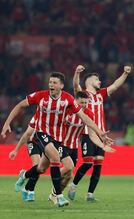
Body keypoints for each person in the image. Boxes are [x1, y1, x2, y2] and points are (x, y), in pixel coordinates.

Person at [1, 72, 109, 207]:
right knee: (55, 158)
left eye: (54, 83)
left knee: (42, 168)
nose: (51, 84)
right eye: (50, 82)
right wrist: (7, 123)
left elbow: (84, 118)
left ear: (61, 86)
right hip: (41, 133)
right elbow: (20, 105)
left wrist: (100, 132)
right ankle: (57, 196)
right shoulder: (40, 96)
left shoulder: (67, 99)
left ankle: (24, 175)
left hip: (57, 139)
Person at [69, 64, 131, 201]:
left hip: (101, 134)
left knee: (98, 165)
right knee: (88, 163)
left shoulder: (100, 94)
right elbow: (75, 86)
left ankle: (90, 194)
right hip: (86, 133)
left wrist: (125, 74)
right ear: (90, 81)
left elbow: (115, 85)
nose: (100, 82)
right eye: (97, 80)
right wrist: (77, 73)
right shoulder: (83, 94)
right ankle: (73, 185)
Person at [8, 115, 41, 201]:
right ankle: (31, 192)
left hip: (46, 144)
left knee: (40, 169)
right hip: (33, 142)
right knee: (37, 166)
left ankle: (24, 178)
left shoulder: (56, 115)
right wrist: (15, 150)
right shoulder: (36, 117)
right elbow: (26, 135)